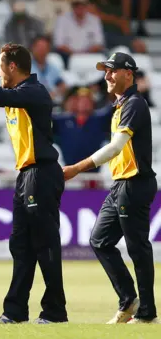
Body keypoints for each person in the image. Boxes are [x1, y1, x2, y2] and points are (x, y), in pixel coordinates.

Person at [0, 43, 68, 324]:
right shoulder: (18, 95)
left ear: (12, 67)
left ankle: (55, 313)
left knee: (45, 244)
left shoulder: (34, 92)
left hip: (41, 174)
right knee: (20, 245)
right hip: (27, 175)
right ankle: (15, 311)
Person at [63, 52, 158, 324]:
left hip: (135, 183)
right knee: (100, 241)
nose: (106, 75)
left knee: (137, 248)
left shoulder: (135, 104)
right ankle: (129, 301)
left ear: (128, 74)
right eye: (105, 71)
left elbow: (115, 147)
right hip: (121, 184)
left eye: (112, 70)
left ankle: (147, 314)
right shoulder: (121, 105)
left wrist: (76, 169)